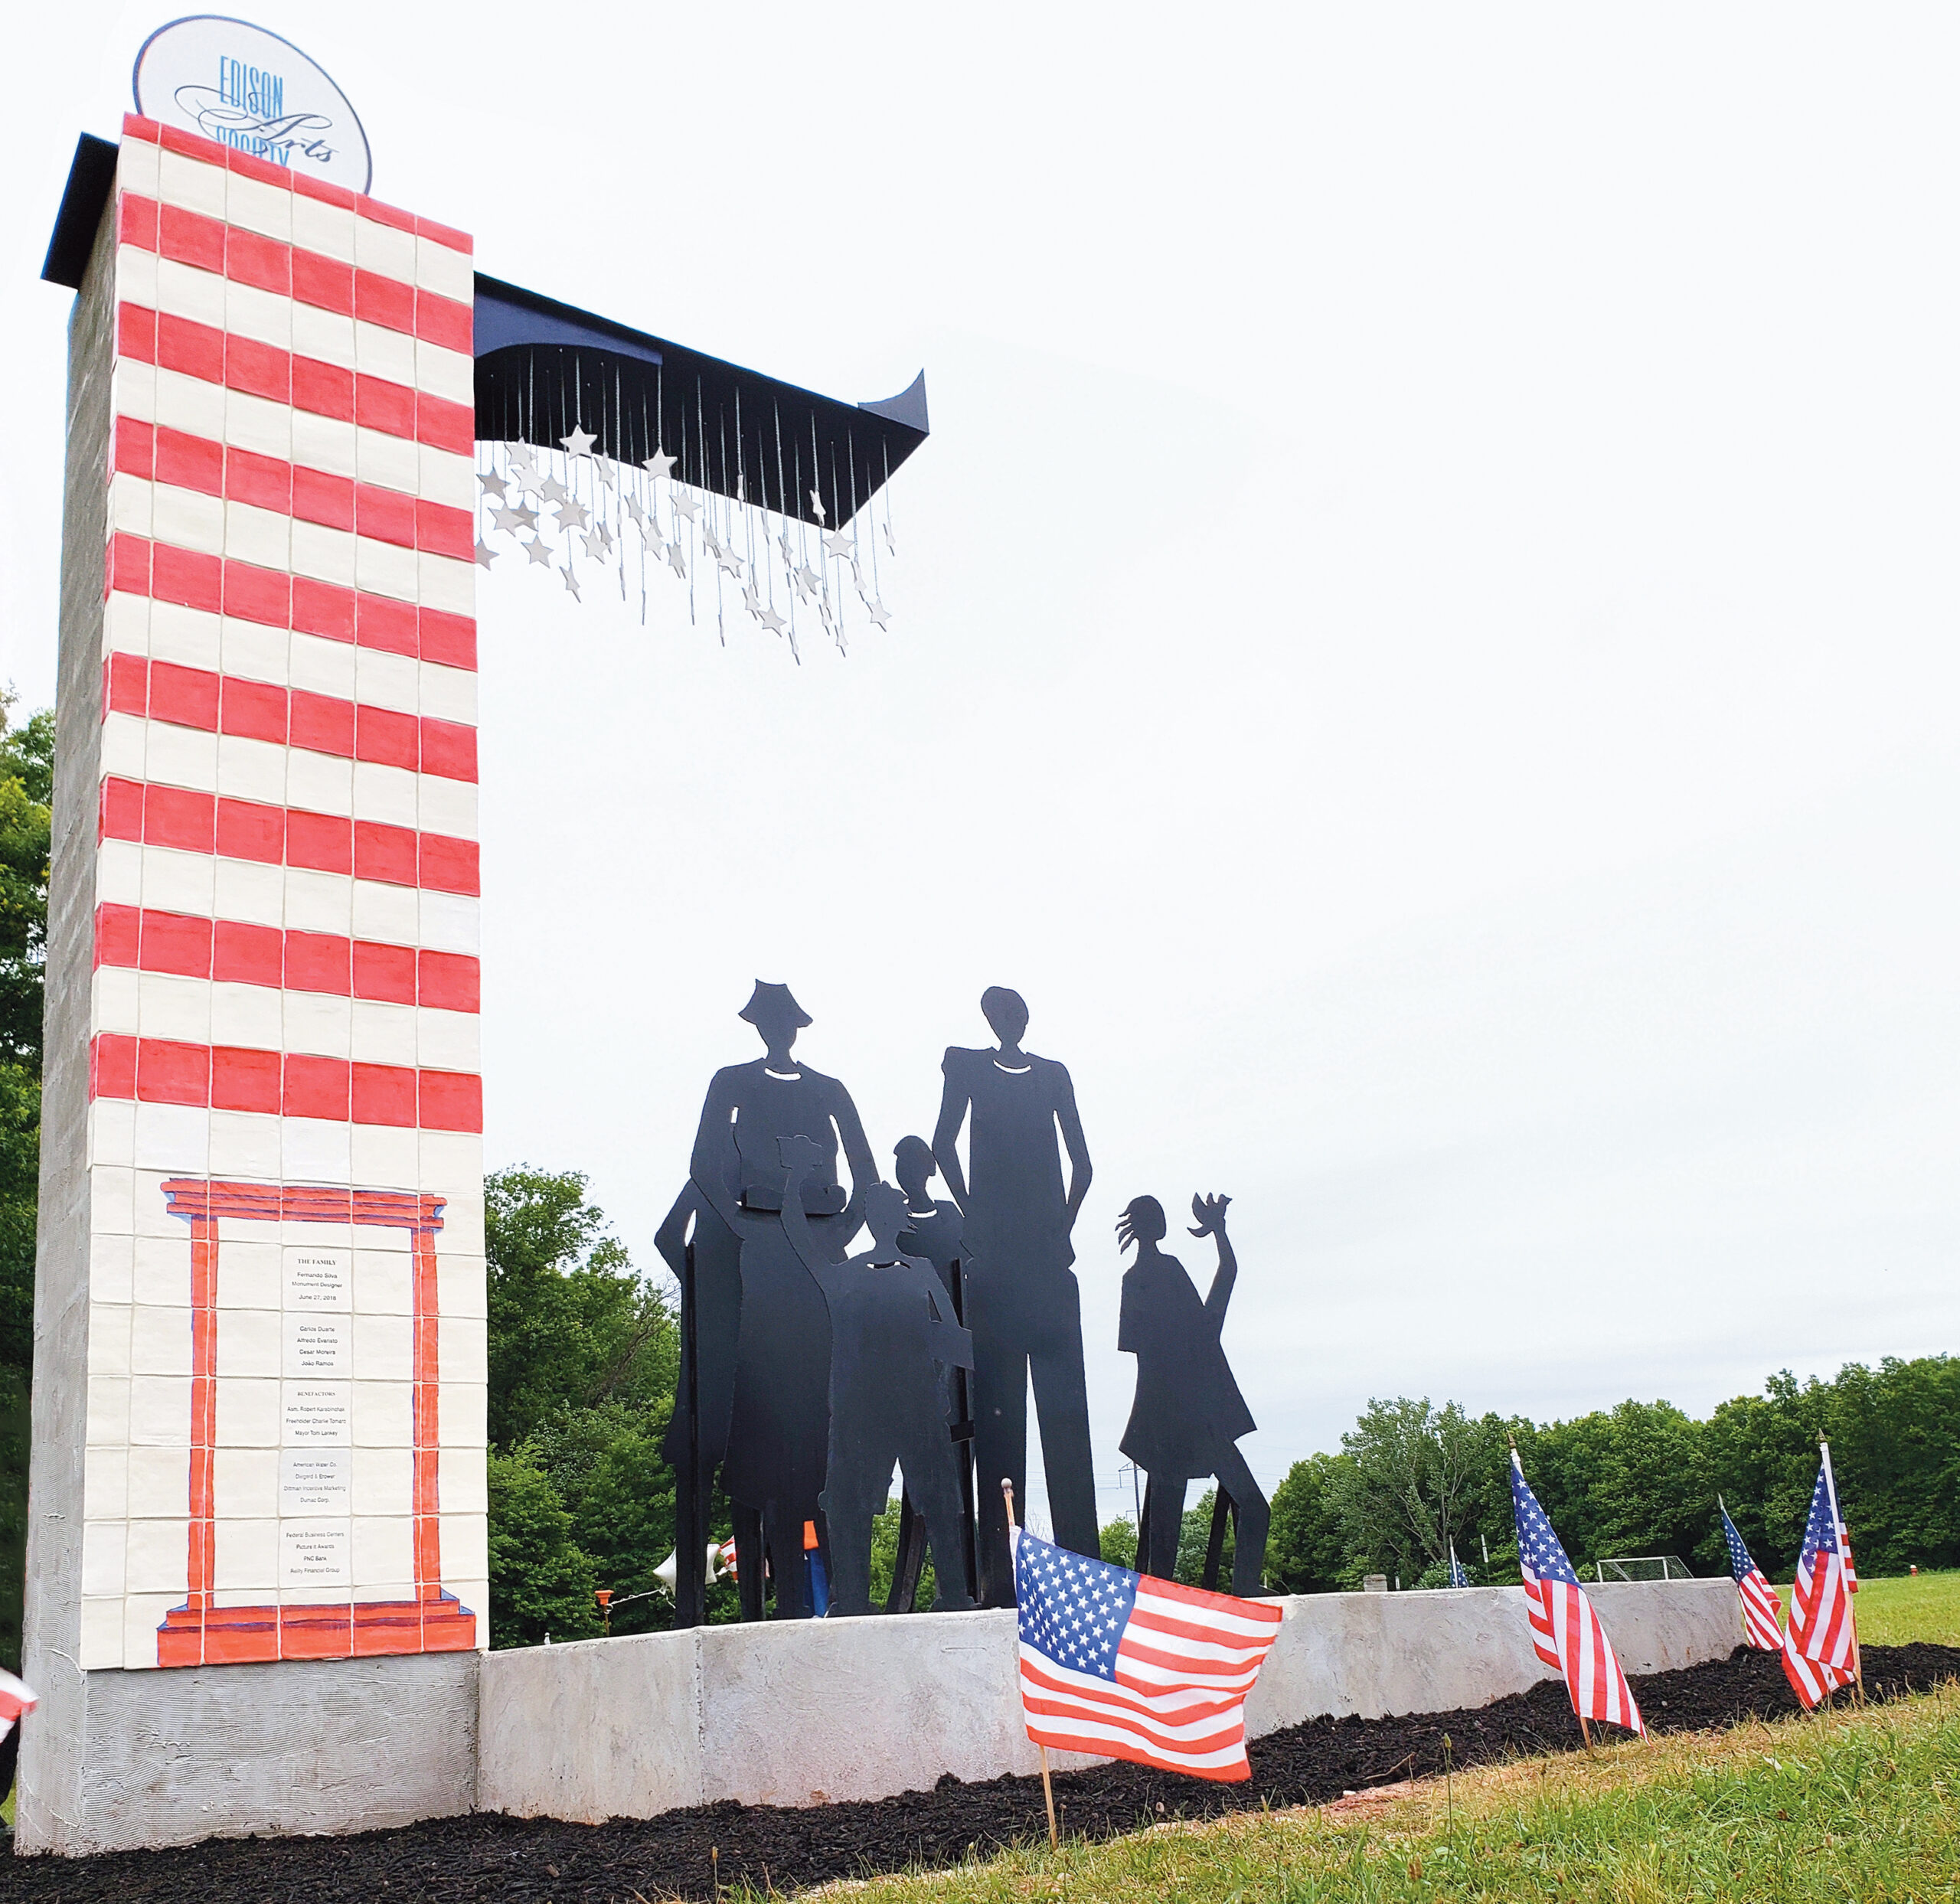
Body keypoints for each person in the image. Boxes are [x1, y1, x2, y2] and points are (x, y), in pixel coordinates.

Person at [684, 982, 876, 1618]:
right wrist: (742, 1232)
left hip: (819, 1246)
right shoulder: (732, 1081)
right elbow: (703, 1166)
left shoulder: (828, 1089)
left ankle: (840, 1578)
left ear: (796, 1027)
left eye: (784, 1021)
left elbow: (869, 1179)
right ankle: (773, 1584)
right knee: (763, 1401)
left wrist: (836, 1241)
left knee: (824, 1404)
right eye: (767, 1021)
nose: (777, 1030)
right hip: (760, 1249)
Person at [933, 987, 1096, 1605]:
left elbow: (1082, 1163)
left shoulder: (1053, 1075)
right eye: (1000, 1016)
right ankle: (1003, 1582)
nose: (1006, 1024)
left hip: (1046, 1262)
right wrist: (974, 1216)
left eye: (1013, 1016)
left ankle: (1081, 1571)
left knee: (1066, 1421)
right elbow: (943, 1141)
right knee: (1000, 1428)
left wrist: (1063, 1223)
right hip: (996, 1263)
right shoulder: (969, 1066)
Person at [774, 1136, 977, 1617]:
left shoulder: (923, 1270)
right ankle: (851, 1598)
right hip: (857, 1411)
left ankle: (953, 1592)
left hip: (918, 1408)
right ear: (869, 1220)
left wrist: (941, 1387)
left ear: (898, 1218)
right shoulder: (843, 1274)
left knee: (942, 1501)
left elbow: (952, 1335)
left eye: (890, 1211)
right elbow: (796, 1235)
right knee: (847, 1504)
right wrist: (795, 1178)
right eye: (876, 1212)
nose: (883, 1219)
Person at [1115, 1192, 1269, 1597]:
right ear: (1154, 1224)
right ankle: (1245, 1591)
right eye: (1161, 1215)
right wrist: (1219, 1234)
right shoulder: (1163, 1272)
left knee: (1164, 1546)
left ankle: (1230, 1596)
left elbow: (1143, 1347)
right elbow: (1202, 1326)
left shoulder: (1135, 1279)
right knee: (1251, 1507)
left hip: (1165, 1424)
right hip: (1193, 1420)